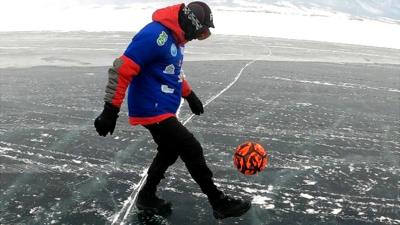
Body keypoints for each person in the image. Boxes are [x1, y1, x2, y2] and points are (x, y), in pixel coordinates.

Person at [94, 1, 251, 219]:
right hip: (151, 108)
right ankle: (218, 201)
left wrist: (189, 95)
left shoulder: (177, 41)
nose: (197, 37)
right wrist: (110, 109)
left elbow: (172, 72)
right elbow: (122, 69)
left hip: (162, 107)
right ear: (190, 22)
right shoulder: (154, 35)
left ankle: (147, 195)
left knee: (169, 150)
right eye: (199, 32)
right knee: (190, 147)